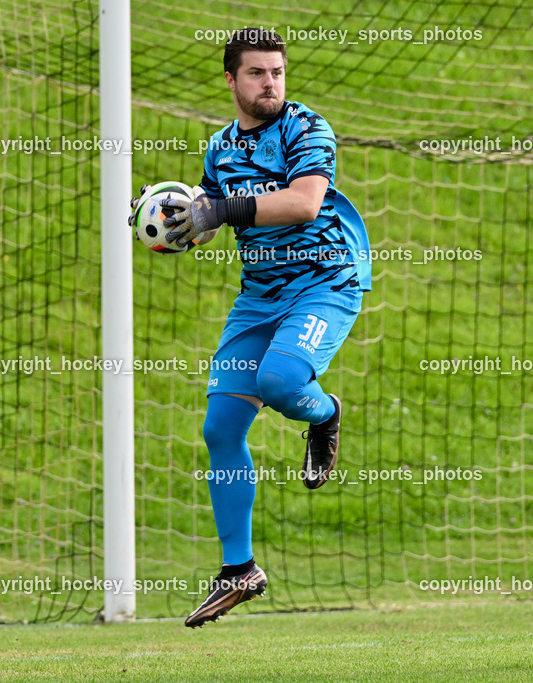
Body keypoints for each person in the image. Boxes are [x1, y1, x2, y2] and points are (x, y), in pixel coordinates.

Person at [129, 27, 371, 628]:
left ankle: (325, 412)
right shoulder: (219, 146)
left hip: (324, 282)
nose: (270, 83)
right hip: (260, 295)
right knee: (221, 425)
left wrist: (220, 208)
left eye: (278, 73)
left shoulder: (307, 128)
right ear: (232, 79)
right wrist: (173, 216)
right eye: (258, 73)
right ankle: (239, 570)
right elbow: (208, 210)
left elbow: (305, 202)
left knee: (283, 383)